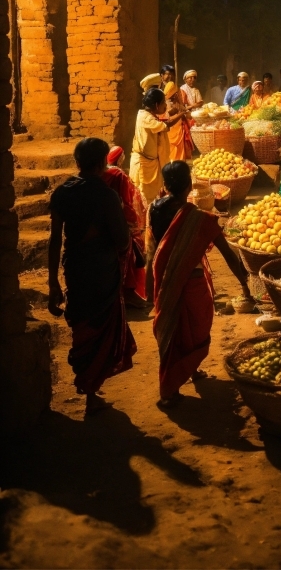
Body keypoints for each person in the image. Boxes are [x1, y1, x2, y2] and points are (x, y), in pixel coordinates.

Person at [146, 161, 251, 407]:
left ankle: (190, 371)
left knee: (173, 330)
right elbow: (229, 256)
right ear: (190, 185)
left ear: (165, 185)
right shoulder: (200, 219)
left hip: (164, 279)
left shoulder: (153, 209)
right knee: (196, 329)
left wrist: (149, 284)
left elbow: (152, 248)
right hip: (191, 282)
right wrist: (245, 284)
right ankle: (169, 390)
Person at [48, 138, 136, 415]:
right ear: (102, 164)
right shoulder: (106, 195)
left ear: (77, 162)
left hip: (75, 267)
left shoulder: (62, 192)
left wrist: (53, 283)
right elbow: (122, 240)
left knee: (83, 323)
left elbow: (55, 241)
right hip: (101, 269)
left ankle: (88, 385)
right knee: (100, 325)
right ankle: (90, 388)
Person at [103, 146, 147, 309]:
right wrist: (135, 220)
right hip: (120, 219)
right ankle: (129, 293)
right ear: (120, 158)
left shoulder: (104, 174)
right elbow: (126, 200)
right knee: (129, 254)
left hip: (105, 221)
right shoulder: (119, 175)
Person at [130, 87, 185, 205]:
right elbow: (165, 124)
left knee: (154, 194)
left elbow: (161, 119)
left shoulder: (148, 114)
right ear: (156, 105)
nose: (165, 105)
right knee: (145, 196)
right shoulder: (144, 117)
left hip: (152, 163)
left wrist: (173, 112)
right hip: (144, 165)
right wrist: (182, 113)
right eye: (163, 103)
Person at [162, 79, 193, 162]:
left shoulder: (176, 104)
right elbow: (168, 118)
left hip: (179, 130)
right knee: (173, 155)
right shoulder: (166, 104)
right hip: (173, 130)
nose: (178, 95)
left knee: (179, 156)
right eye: (177, 93)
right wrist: (182, 113)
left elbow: (188, 115)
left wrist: (185, 112)